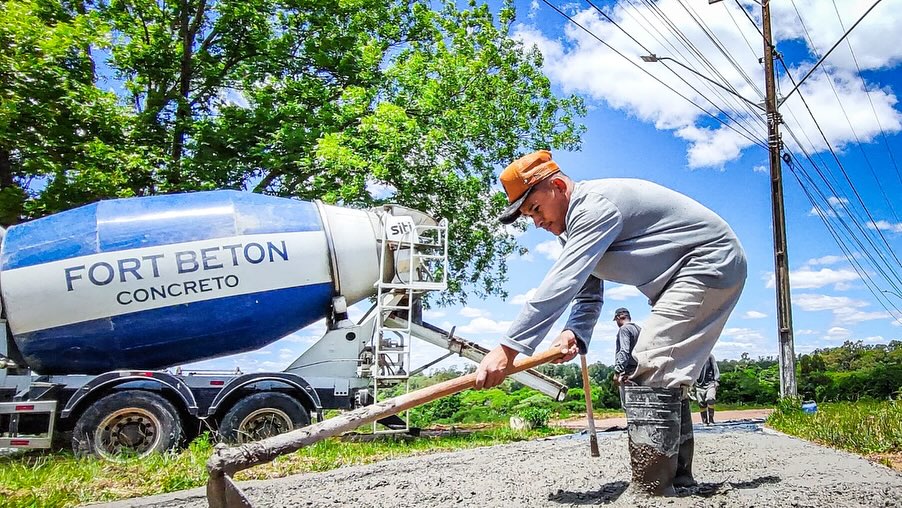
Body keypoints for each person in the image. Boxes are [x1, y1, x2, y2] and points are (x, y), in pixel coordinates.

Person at [474, 150, 747, 496]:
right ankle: (676, 480)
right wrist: (574, 331)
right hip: (681, 277)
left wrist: (507, 348)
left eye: (536, 210)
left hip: (708, 262)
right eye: (529, 217)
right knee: (662, 368)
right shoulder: (572, 230)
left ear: (558, 186)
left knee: (652, 361)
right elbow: (586, 293)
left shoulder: (594, 208)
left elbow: (561, 282)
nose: (537, 223)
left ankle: (653, 489)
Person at [612, 307, 640, 388]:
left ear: (618, 318)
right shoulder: (639, 329)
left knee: (628, 399)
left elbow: (624, 350)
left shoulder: (624, 329)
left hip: (628, 374)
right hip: (639, 371)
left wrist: (617, 372)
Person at [694, 354, 720, 425]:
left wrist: (716, 380)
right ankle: (704, 421)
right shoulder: (694, 356)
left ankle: (711, 419)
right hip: (699, 385)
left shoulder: (710, 356)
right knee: (701, 403)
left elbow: (715, 367)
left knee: (710, 398)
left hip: (710, 383)